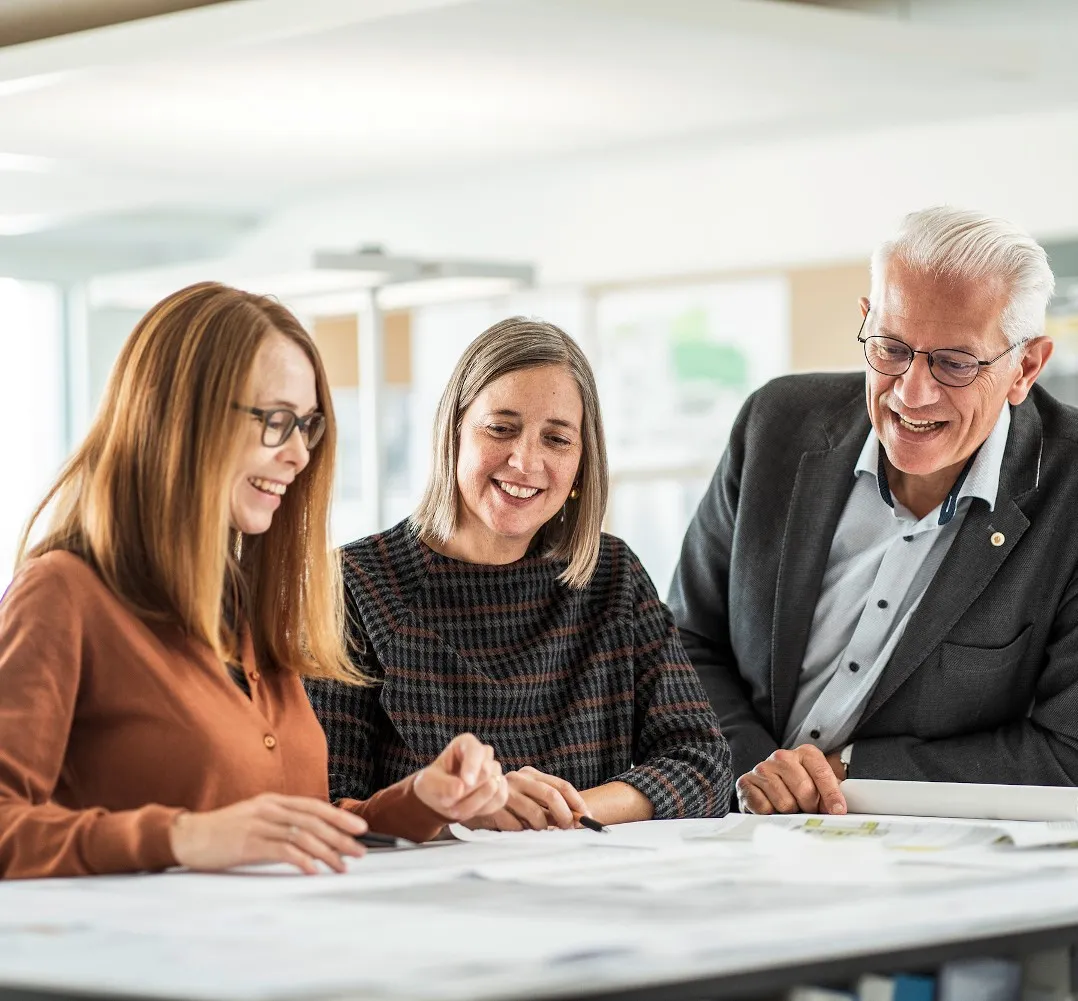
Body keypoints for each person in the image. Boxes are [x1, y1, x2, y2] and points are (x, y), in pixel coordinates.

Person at [0, 281, 507, 879]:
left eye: (307, 426)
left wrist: (421, 800)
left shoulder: (242, 607)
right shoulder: (63, 595)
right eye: (275, 420)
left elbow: (292, 827)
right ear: (180, 418)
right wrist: (182, 836)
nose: (299, 453)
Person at [668, 205, 1078, 816]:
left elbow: (1067, 749)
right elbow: (683, 644)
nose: (912, 392)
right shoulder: (774, 425)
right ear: (866, 322)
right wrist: (759, 771)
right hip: (729, 823)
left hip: (934, 857)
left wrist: (849, 774)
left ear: (1024, 367)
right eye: (891, 348)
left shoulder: (1069, 493)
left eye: (955, 363)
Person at [307, 317, 732, 830]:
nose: (525, 462)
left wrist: (563, 810)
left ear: (581, 462)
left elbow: (703, 764)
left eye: (556, 439)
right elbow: (328, 804)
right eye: (500, 429)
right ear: (453, 433)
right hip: (427, 900)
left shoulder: (612, 575)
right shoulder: (352, 586)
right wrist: (470, 813)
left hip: (593, 892)